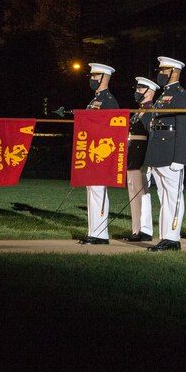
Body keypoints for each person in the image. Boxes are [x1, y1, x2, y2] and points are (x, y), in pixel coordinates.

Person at [144, 57, 186, 251]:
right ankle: (165, 236)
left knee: (173, 196)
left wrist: (180, 157)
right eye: (161, 70)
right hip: (159, 152)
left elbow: (184, 127)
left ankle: (172, 238)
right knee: (163, 196)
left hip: (172, 151)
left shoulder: (181, 95)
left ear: (175, 72)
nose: (160, 74)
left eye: (165, 71)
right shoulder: (163, 95)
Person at [78, 62, 119, 245]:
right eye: (92, 76)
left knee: (99, 191)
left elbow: (112, 129)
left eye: (95, 76)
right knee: (91, 190)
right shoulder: (94, 100)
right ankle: (93, 231)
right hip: (91, 151)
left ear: (104, 78)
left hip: (102, 152)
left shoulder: (109, 101)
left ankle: (101, 234)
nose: (92, 79)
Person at [122, 76, 158, 242]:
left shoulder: (151, 111)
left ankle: (145, 230)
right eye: (136, 89)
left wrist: (149, 160)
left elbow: (151, 136)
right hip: (133, 157)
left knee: (142, 194)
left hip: (142, 157)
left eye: (140, 89)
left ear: (149, 92)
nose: (137, 92)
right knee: (133, 194)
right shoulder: (139, 111)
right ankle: (136, 230)